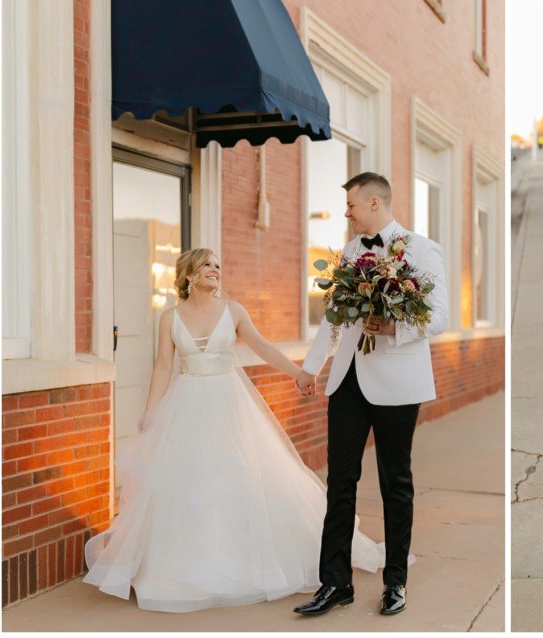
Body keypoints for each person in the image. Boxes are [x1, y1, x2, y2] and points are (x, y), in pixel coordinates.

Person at [83, 249, 383, 612]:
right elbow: (163, 367)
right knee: (187, 483)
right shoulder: (169, 318)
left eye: (218, 266)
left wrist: (301, 373)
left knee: (237, 477)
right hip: (186, 405)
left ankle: (241, 564)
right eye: (207, 265)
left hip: (228, 404)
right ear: (189, 275)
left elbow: (263, 347)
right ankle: (186, 569)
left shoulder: (234, 311)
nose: (215, 271)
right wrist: (150, 412)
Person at [293, 172, 449, 617]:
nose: (346, 213)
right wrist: (311, 367)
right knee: (340, 483)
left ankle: (395, 582)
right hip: (348, 383)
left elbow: (440, 317)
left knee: (395, 484)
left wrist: (395, 327)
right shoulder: (347, 252)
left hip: (399, 385)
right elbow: (334, 318)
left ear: (375, 203)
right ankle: (334, 583)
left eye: (352, 205)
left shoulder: (421, 249)